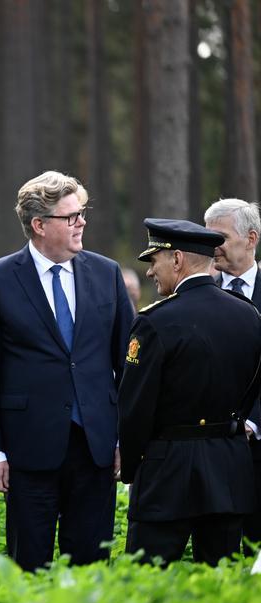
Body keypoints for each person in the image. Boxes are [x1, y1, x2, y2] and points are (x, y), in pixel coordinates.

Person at [0, 171, 134, 572]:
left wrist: (125, 438)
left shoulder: (106, 273)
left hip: (95, 448)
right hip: (28, 452)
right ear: (40, 225)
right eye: (71, 216)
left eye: (82, 214)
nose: (82, 223)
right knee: (28, 568)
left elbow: (129, 365)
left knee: (92, 568)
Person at [119, 218, 261, 566]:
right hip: (228, 470)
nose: (151, 273)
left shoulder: (154, 321)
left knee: (144, 580)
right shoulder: (249, 315)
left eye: (155, 261)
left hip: (166, 471)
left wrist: (134, 469)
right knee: (219, 584)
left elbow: (135, 408)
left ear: (177, 260)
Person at [205, 199, 261, 551]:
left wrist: (253, 422)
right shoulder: (199, 291)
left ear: (251, 238)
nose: (213, 247)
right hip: (211, 447)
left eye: (221, 238)